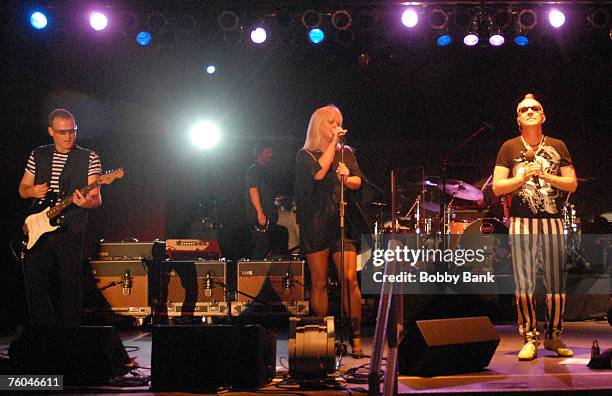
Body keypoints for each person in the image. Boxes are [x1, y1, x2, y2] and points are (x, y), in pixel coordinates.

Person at [492, 94, 577, 361]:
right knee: (525, 284)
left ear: (543, 116)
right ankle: (529, 338)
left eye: (534, 108)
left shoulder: (557, 145)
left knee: (556, 285)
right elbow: (497, 187)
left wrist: (543, 173)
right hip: (521, 221)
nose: (529, 111)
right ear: (518, 119)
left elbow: (571, 183)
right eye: (524, 109)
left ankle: (553, 336)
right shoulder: (509, 147)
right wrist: (523, 176)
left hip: (552, 221)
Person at [18, 108, 102, 326]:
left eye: (72, 131)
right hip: (39, 226)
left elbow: (96, 198)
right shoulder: (39, 154)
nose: (68, 136)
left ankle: (71, 335)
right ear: (51, 132)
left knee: (70, 283)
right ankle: (45, 334)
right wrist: (32, 191)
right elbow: (22, 189)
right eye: (62, 132)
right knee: (35, 283)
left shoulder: (89, 157)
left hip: (70, 227)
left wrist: (86, 203)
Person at [295, 105, 364, 357]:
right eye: (331, 123)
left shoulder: (345, 153)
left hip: (341, 221)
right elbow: (319, 173)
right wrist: (333, 144)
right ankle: (321, 338)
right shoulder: (306, 155)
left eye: (338, 123)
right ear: (319, 126)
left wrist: (348, 178)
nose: (336, 127)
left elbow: (358, 181)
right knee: (320, 281)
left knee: (349, 279)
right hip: (315, 223)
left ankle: (356, 337)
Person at [245, 144, 288, 259]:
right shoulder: (254, 170)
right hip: (259, 217)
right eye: (267, 152)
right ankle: (254, 273)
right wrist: (260, 212)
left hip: (270, 215)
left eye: (271, 152)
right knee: (262, 246)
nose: (271, 155)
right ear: (259, 154)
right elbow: (253, 191)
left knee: (277, 240)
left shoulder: (268, 171)